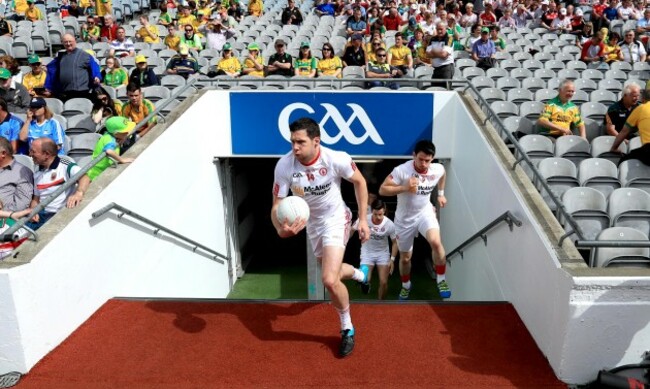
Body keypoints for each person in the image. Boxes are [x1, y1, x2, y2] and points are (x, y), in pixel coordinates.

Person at [271, 117, 370, 357]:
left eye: (300, 142)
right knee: (330, 272)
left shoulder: (336, 158)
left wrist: (364, 218)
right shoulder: (285, 166)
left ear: (316, 141)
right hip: (312, 223)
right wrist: (279, 229)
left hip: (336, 217)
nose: (295, 147)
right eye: (292, 141)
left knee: (328, 279)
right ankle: (360, 274)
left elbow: (360, 181)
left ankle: (347, 327)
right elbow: (276, 206)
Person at [378, 140, 451, 300]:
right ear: (414, 156)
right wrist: (405, 188)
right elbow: (382, 189)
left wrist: (440, 194)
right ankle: (406, 285)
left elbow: (443, 173)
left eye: (428, 160)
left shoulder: (437, 168)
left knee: (436, 243)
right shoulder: (402, 171)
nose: (424, 163)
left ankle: (441, 280)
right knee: (405, 258)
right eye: (421, 159)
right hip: (404, 220)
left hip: (425, 213)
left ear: (432, 158)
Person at [25, 138, 88, 230]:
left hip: (58, 216)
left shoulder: (65, 166)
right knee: (15, 235)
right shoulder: (37, 173)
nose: (30, 154)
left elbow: (84, 177)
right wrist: (33, 212)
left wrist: (79, 193)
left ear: (46, 154)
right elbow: (36, 199)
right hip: (41, 216)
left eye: (33, 151)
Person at [351, 199, 398, 300]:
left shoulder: (389, 224)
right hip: (367, 253)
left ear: (384, 211)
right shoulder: (364, 220)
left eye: (380, 214)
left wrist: (392, 259)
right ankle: (364, 282)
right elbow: (352, 229)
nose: (378, 217)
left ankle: (381, 304)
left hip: (383, 254)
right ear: (372, 211)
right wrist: (342, 243)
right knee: (364, 279)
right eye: (376, 214)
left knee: (384, 282)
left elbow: (395, 242)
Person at [44, 34, 101, 102]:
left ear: (75, 41)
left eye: (70, 41)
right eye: (65, 42)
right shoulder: (60, 57)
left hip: (82, 92)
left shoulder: (84, 55)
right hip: (65, 92)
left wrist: (96, 76)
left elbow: (94, 67)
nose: (68, 44)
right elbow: (51, 69)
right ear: (62, 43)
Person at [86, 116, 135, 181]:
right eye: (125, 132)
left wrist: (123, 137)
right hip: (97, 173)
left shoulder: (109, 135)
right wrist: (122, 160)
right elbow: (109, 151)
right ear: (116, 134)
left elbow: (121, 136)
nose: (127, 133)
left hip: (98, 169)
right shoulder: (110, 140)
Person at [610, 87, 650, 165]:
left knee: (624, 161)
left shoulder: (641, 108)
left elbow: (624, 132)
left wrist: (614, 148)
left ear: (643, 100)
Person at [0, 137, 33, 213]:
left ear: (3, 153)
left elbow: (21, 205)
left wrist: (2, 212)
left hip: (7, 219)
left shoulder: (22, 172)